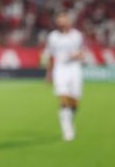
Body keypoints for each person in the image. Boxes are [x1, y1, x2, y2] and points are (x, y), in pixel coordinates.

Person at [45, 11, 85, 141]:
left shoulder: (77, 36)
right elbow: (51, 55)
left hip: (74, 70)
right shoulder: (53, 37)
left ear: (69, 21)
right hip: (60, 70)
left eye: (64, 19)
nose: (61, 22)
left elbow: (82, 53)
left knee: (74, 102)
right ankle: (67, 130)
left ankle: (68, 121)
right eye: (59, 20)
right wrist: (49, 73)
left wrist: (77, 56)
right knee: (63, 99)